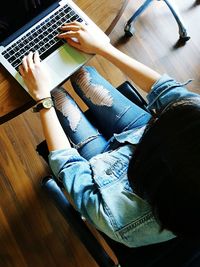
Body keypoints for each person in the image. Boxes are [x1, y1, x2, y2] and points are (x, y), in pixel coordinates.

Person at [19, 21, 200, 248]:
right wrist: (103, 47)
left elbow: (69, 166)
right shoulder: (194, 124)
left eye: (157, 122)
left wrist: (43, 100)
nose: (154, 117)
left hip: (104, 169)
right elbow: (166, 89)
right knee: (81, 73)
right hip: (140, 139)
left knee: (56, 96)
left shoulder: (123, 221)